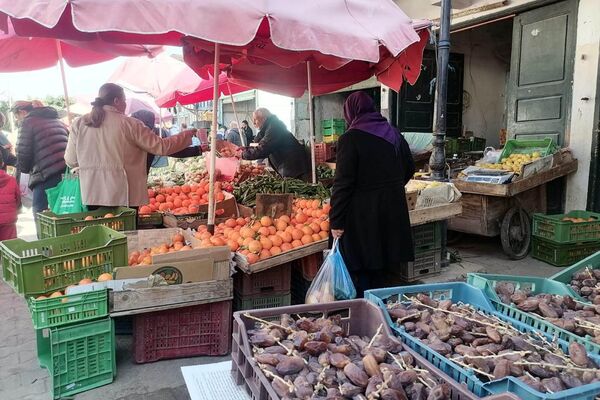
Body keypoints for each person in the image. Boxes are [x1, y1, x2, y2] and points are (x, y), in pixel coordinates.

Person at [329, 91, 415, 297]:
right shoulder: (393, 133)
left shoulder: (350, 139)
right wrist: (392, 187)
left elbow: (343, 183)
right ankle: (380, 308)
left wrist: (336, 221)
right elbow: (409, 167)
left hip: (363, 214)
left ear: (351, 111)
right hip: (393, 209)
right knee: (383, 263)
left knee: (363, 265)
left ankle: (365, 309)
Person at [65, 83, 196, 208]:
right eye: (124, 100)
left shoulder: (79, 123)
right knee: (125, 231)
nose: (125, 104)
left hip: (92, 193)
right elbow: (161, 147)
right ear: (116, 101)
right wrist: (186, 135)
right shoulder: (130, 124)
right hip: (123, 194)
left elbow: (71, 160)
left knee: (100, 230)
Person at [13, 100, 68, 214]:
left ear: (22, 112)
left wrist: (24, 170)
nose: (17, 120)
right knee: (63, 209)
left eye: (16, 117)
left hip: (46, 174)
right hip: (66, 172)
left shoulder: (28, 122)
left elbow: (23, 152)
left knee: (40, 211)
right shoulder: (56, 121)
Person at [239, 108, 309, 179]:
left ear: (264, 119)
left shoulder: (274, 128)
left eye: (255, 119)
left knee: (292, 187)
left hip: (293, 166)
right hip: (289, 165)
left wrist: (242, 154)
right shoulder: (268, 127)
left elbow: (264, 148)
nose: (253, 122)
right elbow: (258, 143)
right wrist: (246, 149)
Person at [130, 110, 205, 174]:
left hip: (141, 178)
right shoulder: (128, 139)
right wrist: (186, 135)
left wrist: (198, 149)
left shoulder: (151, 137)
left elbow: (170, 149)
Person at [0, 152, 21, 241]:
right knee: (9, 249)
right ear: (2, 163)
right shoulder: (11, 180)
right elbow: (18, 201)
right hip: (8, 222)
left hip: (8, 220)